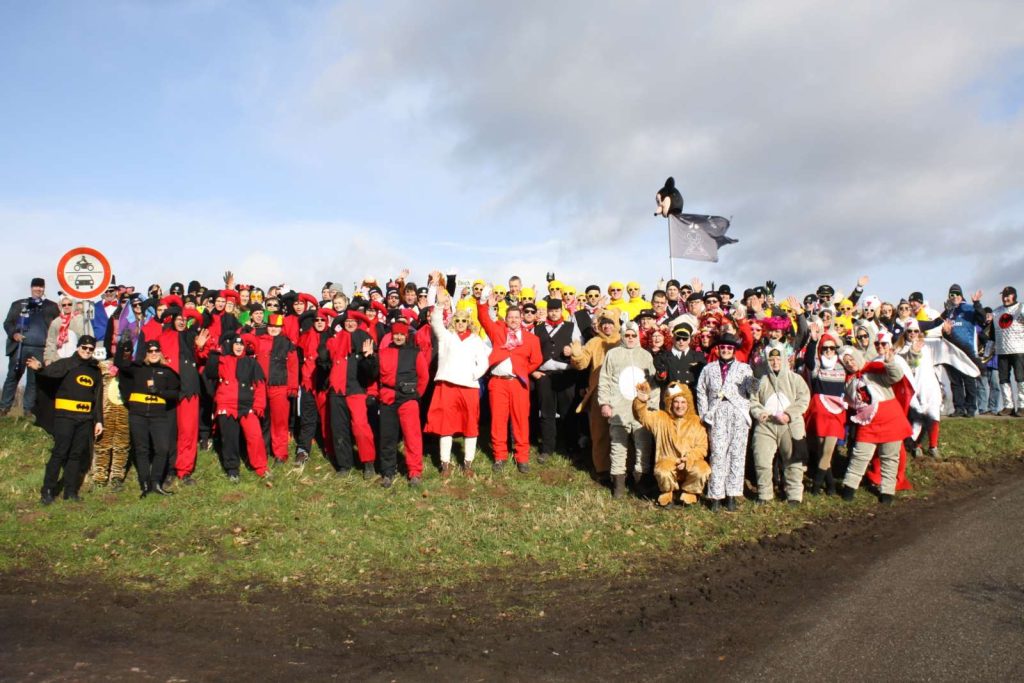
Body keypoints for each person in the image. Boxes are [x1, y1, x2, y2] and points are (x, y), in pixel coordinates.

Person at [26, 335, 104, 504]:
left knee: (76, 455)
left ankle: (70, 491)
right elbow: (48, 375)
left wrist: (99, 421)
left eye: (90, 349)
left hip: (85, 419)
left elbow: (97, 397)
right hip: (65, 417)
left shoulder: (95, 371)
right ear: (78, 347)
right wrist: (39, 369)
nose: (87, 351)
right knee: (60, 453)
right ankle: (47, 490)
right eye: (84, 348)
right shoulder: (65, 363)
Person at [424, 282, 490, 477]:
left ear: (468, 322)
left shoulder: (476, 340)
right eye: (458, 320)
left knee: (470, 425)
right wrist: (439, 305)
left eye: (464, 320)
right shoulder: (446, 336)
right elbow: (436, 322)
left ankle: (468, 463)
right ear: (454, 321)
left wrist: (473, 375)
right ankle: (445, 463)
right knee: (446, 425)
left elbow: (484, 362)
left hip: (468, 387)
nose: (460, 323)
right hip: (447, 386)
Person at [840, 331, 914, 504]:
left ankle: (887, 491)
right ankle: (849, 487)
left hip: (890, 419)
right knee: (860, 454)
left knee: (889, 456)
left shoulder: (874, 369)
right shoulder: (849, 381)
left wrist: (890, 363)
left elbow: (895, 376)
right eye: (846, 362)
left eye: (851, 359)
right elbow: (852, 401)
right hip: (868, 422)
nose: (850, 363)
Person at [364, 319, 432, 487]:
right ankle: (388, 472)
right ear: (392, 336)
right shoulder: (383, 353)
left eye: (402, 334)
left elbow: (424, 377)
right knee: (387, 437)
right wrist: (369, 358)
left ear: (406, 335)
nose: (399, 337)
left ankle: (414, 472)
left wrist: (416, 395)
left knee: (412, 436)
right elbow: (373, 376)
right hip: (388, 398)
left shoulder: (415, 353)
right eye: (396, 334)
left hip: (408, 399)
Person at [696, 334, 756, 512]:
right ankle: (716, 495)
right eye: (723, 347)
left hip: (738, 413)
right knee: (718, 453)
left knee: (737, 454)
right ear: (718, 349)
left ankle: (732, 494)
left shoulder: (744, 368)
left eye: (730, 348)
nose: (726, 350)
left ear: (734, 350)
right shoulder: (708, 369)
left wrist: (751, 387)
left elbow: (752, 391)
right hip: (717, 413)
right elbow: (701, 391)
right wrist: (704, 414)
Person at [597, 321, 658, 498]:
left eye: (633, 335)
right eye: (627, 335)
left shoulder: (646, 356)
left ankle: (640, 483)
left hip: (641, 410)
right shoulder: (613, 354)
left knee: (643, 446)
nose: (630, 338)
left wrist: (652, 406)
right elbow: (604, 380)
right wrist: (605, 403)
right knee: (618, 446)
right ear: (622, 336)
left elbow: (653, 383)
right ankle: (618, 485)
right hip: (618, 408)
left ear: (638, 336)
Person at [115, 338, 181, 497]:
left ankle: (156, 482)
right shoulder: (137, 368)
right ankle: (145, 484)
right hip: (138, 415)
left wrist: (159, 392)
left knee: (162, 449)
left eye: (156, 350)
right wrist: (123, 345)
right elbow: (119, 363)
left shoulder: (167, 372)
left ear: (161, 352)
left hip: (159, 416)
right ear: (145, 353)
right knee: (142, 450)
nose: (153, 353)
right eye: (150, 351)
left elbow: (176, 393)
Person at [749, 343, 811, 505]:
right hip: (766, 424)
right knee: (761, 459)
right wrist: (759, 412)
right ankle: (764, 494)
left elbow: (804, 399)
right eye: (771, 359)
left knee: (793, 461)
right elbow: (751, 400)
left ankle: (794, 495)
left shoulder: (796, 378)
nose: (775, 362)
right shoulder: (757, 378)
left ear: (784, 359)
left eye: (778, 359)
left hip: (790, 423)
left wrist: (789, 414)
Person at [204, 332, 270, 482]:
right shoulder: (224, 360)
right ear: (231, 346)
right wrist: (214, 351)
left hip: (247, 406)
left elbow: (260, 385)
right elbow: (210, 372)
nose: (239, 347)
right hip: (227, 405)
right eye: (236, 344)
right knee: (230, 439)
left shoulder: (251, 363)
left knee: (255, 436)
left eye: (241, 344)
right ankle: (232, 470)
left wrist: (259, 406)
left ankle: (261, 467)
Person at [632, 380, 709, 508]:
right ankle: (668, 492)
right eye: (676, 402)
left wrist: (688, 459)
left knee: (703, 469)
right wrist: (641, 401)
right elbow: (642, 417)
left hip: (690, 464)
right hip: (669, 464)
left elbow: (702, 447)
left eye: (683, 402)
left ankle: (689, 492)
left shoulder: (696, 421)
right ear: (670, 403)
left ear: (688, 403)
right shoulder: (660, 418)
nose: (680, 406)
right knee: (662, 470)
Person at [570, 314, 620, 482]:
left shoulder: (623, 340)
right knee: (599, 432)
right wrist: (577, 355)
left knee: (621, 433)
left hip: (620, 393)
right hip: (598, 392)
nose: (607, 326)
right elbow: (582, 363)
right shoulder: (594, 342)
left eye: (610, 323)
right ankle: (602, 468)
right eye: (603, 323)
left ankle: (622, 470)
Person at [2, 277, 60, 415]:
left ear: (44, 288)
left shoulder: (52, 306)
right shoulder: (19, 304)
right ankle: (4, 407)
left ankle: (28, 410)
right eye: (36, 286)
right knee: (12, 377)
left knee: (34, 380)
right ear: (31, 288)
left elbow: (59, 324)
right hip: (20, 348)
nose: (38, 289)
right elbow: (7, 323)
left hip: (40, 348)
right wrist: (14, 334)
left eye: (41, 287)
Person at [532, 298, 580, 463]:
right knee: (546, 412)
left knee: (568, 412)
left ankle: (571, 447)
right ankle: (547, 448)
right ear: (547, 311)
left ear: (561, 311)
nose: (554, 313)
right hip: (544, 375)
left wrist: (572, 351)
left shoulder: (571, 326)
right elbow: (531, 351)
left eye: (557, 311)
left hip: (565, 374)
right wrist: (533, 370)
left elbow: (581, 347)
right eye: (551, 311)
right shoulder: (538, 328)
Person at [989, 286, 1024, 416]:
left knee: (1020, 378)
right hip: (1002, 350)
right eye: (1003, 295)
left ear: (1014, 295)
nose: (1005, 298)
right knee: (1003, 379)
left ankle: (1022, 406)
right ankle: (1008, 406)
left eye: (1007, 295)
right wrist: (989, 350)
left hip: (1019, 349)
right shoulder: (996, 312)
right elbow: (992, 333)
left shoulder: (1021, 308)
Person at [44, 297, 86, 365]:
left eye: (69, 304)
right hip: (59, 358)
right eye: (64, 305)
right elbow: (51, 341)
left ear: (73, 304)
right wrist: (48, 358)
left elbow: (88, 338)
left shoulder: (80, 319)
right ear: (61, 306)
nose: (67, 306)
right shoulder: (56, 322)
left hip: (77, 358)